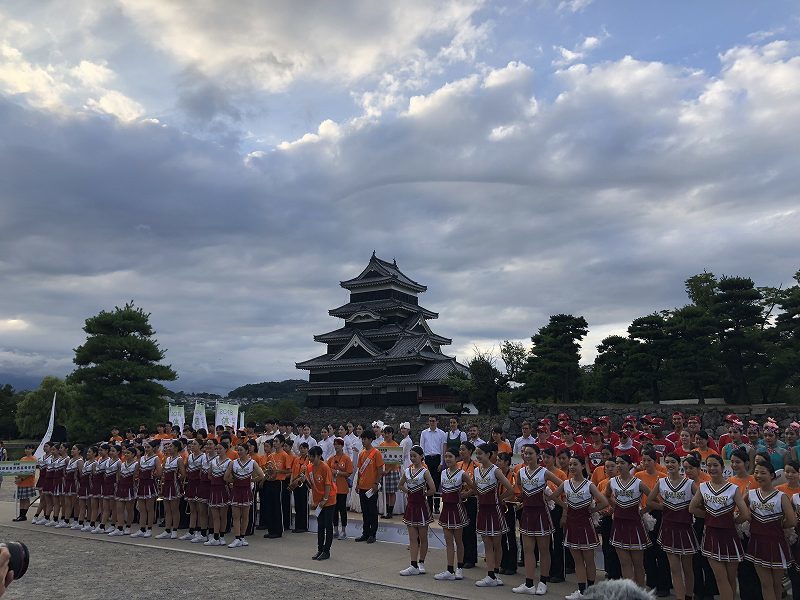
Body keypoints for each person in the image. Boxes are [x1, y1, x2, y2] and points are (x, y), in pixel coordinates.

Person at [689, 454, 750, 600]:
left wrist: (732, 521)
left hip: (729, 537)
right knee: (720, 578)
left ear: (723, 467)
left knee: (730, 578)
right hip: (711, 536)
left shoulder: (733, 488)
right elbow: (692, 508)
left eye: (715, 465)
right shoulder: (703, 487)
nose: (712, 468)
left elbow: (745, 514)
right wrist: (710, 517)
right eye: (709, 465)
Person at [555, 455, 609, 600]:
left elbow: (604, 502)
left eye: (575, 464)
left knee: (589, 559)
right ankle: (581, 590)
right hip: (572, 524)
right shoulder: (566, 483)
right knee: (577, 560)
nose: (572, 467)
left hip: (585, 524)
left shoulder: (589, 485)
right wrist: (565, 506)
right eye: (570, 464)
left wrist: (591, 510)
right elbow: (553, 496)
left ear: (582, 466)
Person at [512, 444, 563, 595]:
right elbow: (519, 487)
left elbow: (563, 485)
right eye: (525, 453)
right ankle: (529, 583)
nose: (527, 456)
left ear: (537, 455)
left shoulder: (544, 472)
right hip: (527, 513)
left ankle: (543, 582)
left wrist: (550, 496)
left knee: (544, 549)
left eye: (530, 453)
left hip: (541, 513)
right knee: (528, 550)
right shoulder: (520, 472)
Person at [647, 452, 698, 600]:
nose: (669, 465)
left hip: (685, 528)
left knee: (688, 568)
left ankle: (689, 596)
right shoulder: (661, 482)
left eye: (673, 462)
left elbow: (700, 502)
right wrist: (664, 507)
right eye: (667, 462)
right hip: (668, 528)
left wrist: (689, 508)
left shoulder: (689, 483)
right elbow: (650, 501)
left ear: (679, 464)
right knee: (674, 569)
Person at [743, 460, 795, 600]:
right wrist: (750, 519)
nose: (758, 475)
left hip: (776, 543)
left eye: (763, 473)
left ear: (772, 475)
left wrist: (776, 526)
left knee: (777, 584)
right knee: (766, 584)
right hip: (757, 542)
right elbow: (742, 509)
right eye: (756, 472)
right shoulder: (752, 493)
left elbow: (792, 520)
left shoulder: (781, 496)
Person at [605, 453, 651, 587]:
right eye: (617, 462)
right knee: (624, 563)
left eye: (622, 463)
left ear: (630, 465)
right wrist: (615, 507)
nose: (619, 465)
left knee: (638, 564)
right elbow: (607, 496)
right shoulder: (612, 482)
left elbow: (653, 498)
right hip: (619, 524)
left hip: (635, 524)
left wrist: (643, 511)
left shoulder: (638, 483)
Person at [473, 442, 515, 588]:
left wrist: (499, 499)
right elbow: (476, 489)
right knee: (487, 544)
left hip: (495, 510)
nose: (478, 456)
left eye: (480, 454)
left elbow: (510, 488)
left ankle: (495, 574)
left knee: (497, 544)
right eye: (476, 454)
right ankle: (490, 574)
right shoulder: (476, 471)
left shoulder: (495, 470)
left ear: (488, 455)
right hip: (483, 510)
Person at [398, 445, 436, 576]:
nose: (413, 458)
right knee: (412, 538)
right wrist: (408, 491)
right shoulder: (408, 471)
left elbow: (433, 489)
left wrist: (424, 494)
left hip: (421, 507)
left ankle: (421, 562)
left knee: (423, 537)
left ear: (421, 457)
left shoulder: (425, 471)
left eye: (415, 456)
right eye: (411, 456)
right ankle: (413, 564)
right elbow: (400, 484)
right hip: (411, 506)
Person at [435, 448, 472, 581]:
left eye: (450, 456)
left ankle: (459, 568)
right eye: (446, 457)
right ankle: (449, 569)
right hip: (446, 509)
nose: (447, 459)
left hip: (457, 509)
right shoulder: (443, 473)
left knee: (459, 541)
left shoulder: (462, 473)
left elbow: (474, 487)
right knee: (448, 542)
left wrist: (466, 494)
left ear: (457, 458)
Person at [225, 442, 265, 548]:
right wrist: (232, 481)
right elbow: (226, 477)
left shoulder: (252, 462)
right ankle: (237, 537)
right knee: (236, 516)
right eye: (238, 450)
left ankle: (242, 537)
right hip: (236, 490)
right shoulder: (233, 463)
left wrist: (251, 480)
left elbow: (261, 475)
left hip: (246, 490)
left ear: (247, 451)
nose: (239, 452)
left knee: (245, 516)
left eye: (241, 450)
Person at [355, 429, 384, 543]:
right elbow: (360, 471)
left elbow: (380, 469)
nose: (363, 441)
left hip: (372, 487)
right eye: (362, 439)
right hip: (362, 486)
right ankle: (365, 533)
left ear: (371, 439)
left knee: (372, 511)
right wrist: (357, 484)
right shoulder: (361, 453)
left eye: (365, 439)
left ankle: (373, 533)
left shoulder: (376, 453)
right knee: (365, 511)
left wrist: (376, 483)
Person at [308, 445, 337, 560]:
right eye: (310, 457)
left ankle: (326, 551)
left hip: (328, 500)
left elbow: (328, 484)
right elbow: (311, 484)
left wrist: (324, 499)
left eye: (312, 457)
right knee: (320, 525)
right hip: (319, 500)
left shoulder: (325, 467)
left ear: (319, 456)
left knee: (327, 525)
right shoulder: (309, 467)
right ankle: (320, 549)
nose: (310, 459)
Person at [181, 438, 209, 542]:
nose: (192, 446)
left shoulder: (203, 457)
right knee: (192, 508)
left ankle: (199, 531)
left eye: (195, 444)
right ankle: (191, 530)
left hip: (199, 483)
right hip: (191, 483)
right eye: (192, 444)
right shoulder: (190, 456)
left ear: (201, 446)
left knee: (200, 509)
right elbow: (186, 467)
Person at [157, 440, 186, 540]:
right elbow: (164, 473)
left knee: (174, 509)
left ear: (177, 448)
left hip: (174, 486)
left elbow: (183, 474)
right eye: (168, 447)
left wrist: (177, 481)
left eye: (171, 446)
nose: (169, 448)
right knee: (167, 509)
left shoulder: (179, 459)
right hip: (167, 485)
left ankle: (174, 530)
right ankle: (167, 530)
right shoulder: (167, 459)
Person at [205, 442, 232, 546]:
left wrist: (223, 482)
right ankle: (215, 536)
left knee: (223, 515)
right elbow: (209, 475)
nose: (218, 450)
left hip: (223, 489)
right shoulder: (213, 461)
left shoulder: (229, 462)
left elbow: (230, 477)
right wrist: (215, 481)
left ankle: (222, 536)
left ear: (226, 449)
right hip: (214, 489)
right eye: (217, 449)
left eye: (220, 448)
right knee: (215, 515)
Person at [133, 440, 161, 537]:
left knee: (149, 508)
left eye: (148, 447)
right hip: (141, 484)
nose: (146, 449)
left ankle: (149, 529)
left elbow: (160, 473)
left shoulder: (156, 458)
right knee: (142, 508)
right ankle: (142, 528)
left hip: (150, 484)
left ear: (153, 448)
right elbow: (136, 470)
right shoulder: (141, 458)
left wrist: (153, 474)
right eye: (145, 447)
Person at [458, 441, 479, 569]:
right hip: (459, 500)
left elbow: (478, 485)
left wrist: (468, 493)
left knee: (470, 529)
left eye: (463, 449)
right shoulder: (458, 465)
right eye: (460, 450)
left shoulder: (476, 466)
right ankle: (462, 556)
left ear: (470, 451)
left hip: (471, 499)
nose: (461, 452)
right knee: (461, 530)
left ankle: (471, 558)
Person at [420, 416, 447, 514]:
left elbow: (442, 450)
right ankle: (429, 507)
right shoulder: (424, 433)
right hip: (427, 459)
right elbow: (421, 447)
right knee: (428, 483)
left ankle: (436, 506)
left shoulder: (442, 433)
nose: (431, 423)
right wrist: (422, 462)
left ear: (437, 422)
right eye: (430, 421)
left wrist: (441, 463)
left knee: (436, 482)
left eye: (433, 421)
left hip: (437, 459)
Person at [328, 437, 353, 540]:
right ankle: (335, 530)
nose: (336, 446)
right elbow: (327, 469)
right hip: (333, 488)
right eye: (335, 444)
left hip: (342, 487)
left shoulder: (346, 458)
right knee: (334, 510)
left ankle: (343, 530)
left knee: (342, 509)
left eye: (338, 444)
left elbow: (349, 472)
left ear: (342, 446)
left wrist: (337, 472)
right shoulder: (331, 458)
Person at [110, 445, 138, 536]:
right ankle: (120, 528)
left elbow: (135, 477)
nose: (126, 454)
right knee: (119, 509)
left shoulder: (136, 464)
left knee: (129, 509)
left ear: (133, 454)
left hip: (130, 488)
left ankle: (128, 527)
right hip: (121, 487)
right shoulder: (122, 464)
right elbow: (118, 476)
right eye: (125, 453)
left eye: (128, 453)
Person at [379, 425, 401, 519]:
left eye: (389, 433)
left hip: (392, 471)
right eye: (385, 433)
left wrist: (387, 470)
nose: (387, 435)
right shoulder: (381, 445)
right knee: (385, 492)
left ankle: (390, 512)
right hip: (384, 471)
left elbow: (396, 460)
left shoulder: (395, 445)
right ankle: (385, 510)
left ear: (392, 434)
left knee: (392, 492)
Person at [12, 444, 38, 522]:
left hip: (28, 482)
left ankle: (23, 515)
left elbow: (31, 472)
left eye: (29, 449)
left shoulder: (33, 459)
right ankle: (21, 515)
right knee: (21, 499)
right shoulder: (22, 458)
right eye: (26, 449)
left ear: (33, 450)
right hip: (21, 482)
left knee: (26, 499)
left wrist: (22, 478)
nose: (27, 450)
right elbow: (19, 469)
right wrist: (17, 477)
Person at [289, 441, 310, 533]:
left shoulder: (309, 460)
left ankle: (304, 526)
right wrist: (292, 482)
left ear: (307, 449)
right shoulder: (297, 459)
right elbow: (293, 472)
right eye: (301, 448)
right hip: (295, 484)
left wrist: (298, 481)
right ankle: (298, 525)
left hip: (304, 484)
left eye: (304, 448)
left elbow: (307, 473)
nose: (302, 450)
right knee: (297, 506)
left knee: (303, 505)